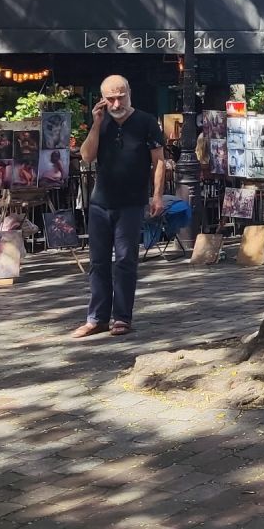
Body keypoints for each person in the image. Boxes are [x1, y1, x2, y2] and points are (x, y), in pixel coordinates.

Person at [74, 75, 166, 339]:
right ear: (103, 98)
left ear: (129, 93)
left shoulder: (146, 122)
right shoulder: (101, 123)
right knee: (98, 261)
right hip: (101, 202)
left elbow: (158, 160)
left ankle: (122, 317)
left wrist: (156, 196)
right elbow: (87, 156)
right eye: (111, 98)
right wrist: (96, 123)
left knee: (125, 260)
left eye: (120, 96)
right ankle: (97, 318)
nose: (116, 103)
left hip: (132, 201)